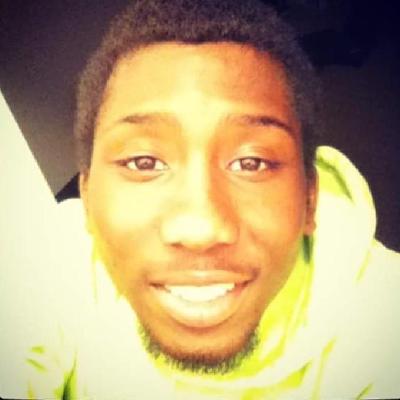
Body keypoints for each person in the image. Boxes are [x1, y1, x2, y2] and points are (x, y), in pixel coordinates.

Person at [1, 0, 399, 398]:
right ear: (87, 198)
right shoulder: (45, 271)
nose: (200, 230)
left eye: (251, 162)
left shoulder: (383, 317)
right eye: (144, 162)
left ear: (310, 199)